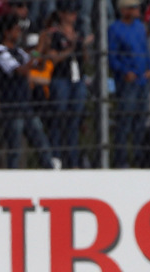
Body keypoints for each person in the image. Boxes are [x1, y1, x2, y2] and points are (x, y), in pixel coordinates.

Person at [0, 12, 59, 166]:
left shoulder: (19, 51)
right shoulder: (0, 51)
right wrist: (39, 48)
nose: (19, 33)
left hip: (25, 105)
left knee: (41, 143)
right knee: (14, 148)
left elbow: (36, 64)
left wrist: (43, 51)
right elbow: (21, 70)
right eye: (16, 29)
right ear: (7, 32)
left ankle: (49, 169)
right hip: (12, 106)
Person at [40, 0, 85, 165]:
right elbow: (53, 57)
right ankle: (56, 156)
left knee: (74, 119)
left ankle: (72, 158)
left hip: (77, 77)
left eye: (74, 12)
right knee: (58, 117)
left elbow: (84, 58)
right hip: (61, 78)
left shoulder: (78, 32)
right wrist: (70, 48)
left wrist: (82, 45)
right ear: (61, 14)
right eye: (70, 12)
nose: (73, 15)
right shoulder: (54, 33)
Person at [108, 0, 150, 167]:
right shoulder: (115, 29)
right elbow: (112, 57)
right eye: (133, 7)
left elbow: (145, 49)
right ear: (124, 10)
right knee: (125, 122)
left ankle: (139, 158)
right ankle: (121, 160)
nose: (137, 10)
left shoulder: (140, 27)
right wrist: (124, 71)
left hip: (142, 80)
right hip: (128, 82)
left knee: (140, 122)